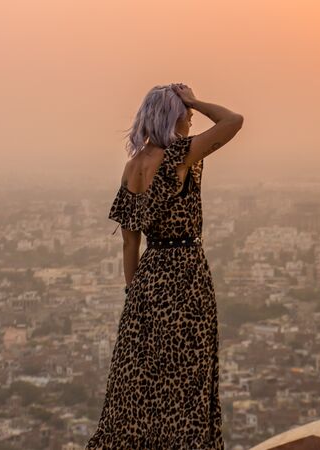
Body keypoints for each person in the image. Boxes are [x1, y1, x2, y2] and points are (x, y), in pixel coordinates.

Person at [86, 83, 244, 449]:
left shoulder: (132, 167)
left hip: (147, 278)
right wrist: (195, 100)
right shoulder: (179, 156)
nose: (190, 120)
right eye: (186, 114)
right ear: (173, 116)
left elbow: (130, 241)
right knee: (186, 380)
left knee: (143, 383)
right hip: (184, 275)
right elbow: (233, 121)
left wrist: (133, 292)